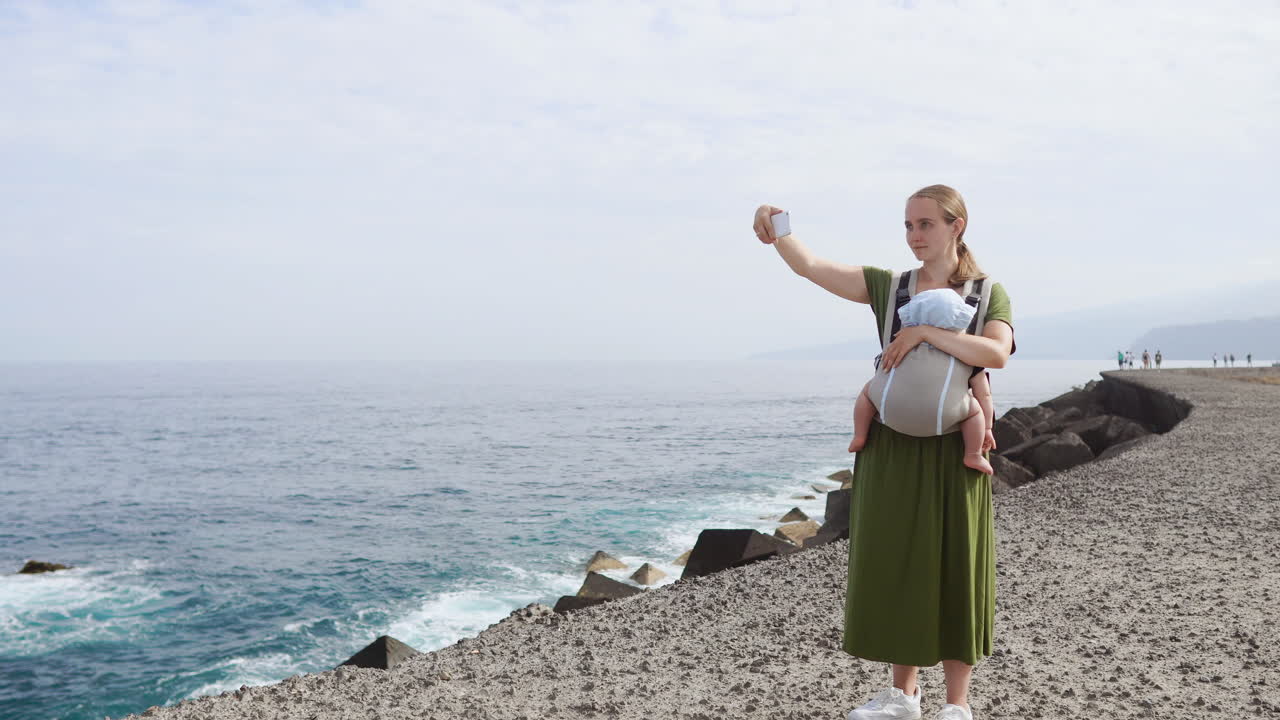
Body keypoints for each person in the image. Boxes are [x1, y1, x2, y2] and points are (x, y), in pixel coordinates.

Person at [754, 184, 1014, 720]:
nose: (915, 236)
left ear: (956, 226)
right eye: (908, 226)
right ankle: (904, 697)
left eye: (926, 224)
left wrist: (923, 333)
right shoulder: (889, 287)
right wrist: (776, 228)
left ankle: (957, 705)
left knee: (956, 566)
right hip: (890, 446)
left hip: (955, 448)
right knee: (900, 563)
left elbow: (995, 353)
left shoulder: (988, 292)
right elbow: (810, 266)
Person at [848, 287, 996, 475]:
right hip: (941, 418)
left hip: (890, 414)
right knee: (974, 412)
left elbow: (882, 368)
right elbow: (985, 394)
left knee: (867, 393)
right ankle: (973, 455)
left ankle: (859, 436)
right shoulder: (966, 354)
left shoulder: (898, 345)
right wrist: (988, 428)